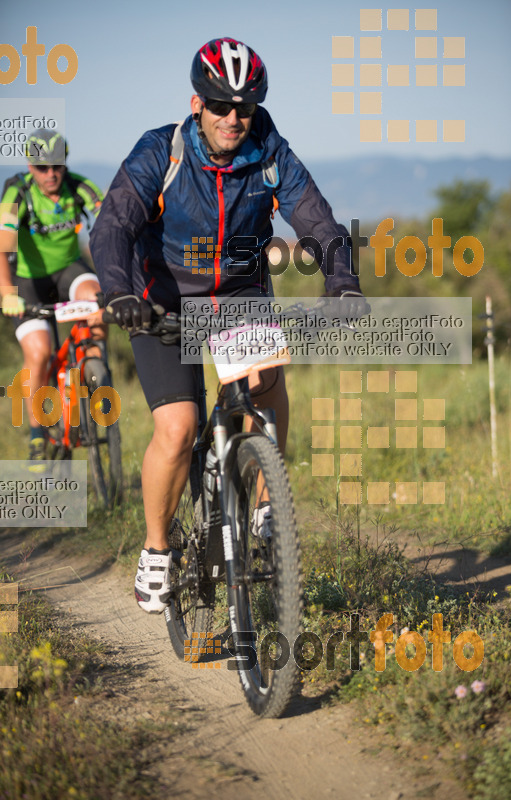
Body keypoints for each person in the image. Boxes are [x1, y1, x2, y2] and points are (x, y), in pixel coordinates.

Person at [90, 37, 368, 613]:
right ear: (198, 104)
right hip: (159, 302)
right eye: (221, 105)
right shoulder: (160, 151)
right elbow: (113, 224)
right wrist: (118, 292)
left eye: (244, 106)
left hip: (237, 299)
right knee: (178, 427)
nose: (233, 118)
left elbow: (318, 219)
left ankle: (268, 509)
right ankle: (157, 550)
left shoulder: (269, 150)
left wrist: (341, 281)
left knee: (265, 383)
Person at [0, 130, 105, 467]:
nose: (51, 174)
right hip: (28, 283)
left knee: (96, 302)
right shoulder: (17, 192)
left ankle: (93, 371)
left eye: (57, 166)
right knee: (40, 353)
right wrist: (6, 292)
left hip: (69, 271)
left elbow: (110, 224)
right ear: (31, 167)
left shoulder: (81, 187)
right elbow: (3, 245)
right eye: (42, 168)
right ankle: (37, 434)